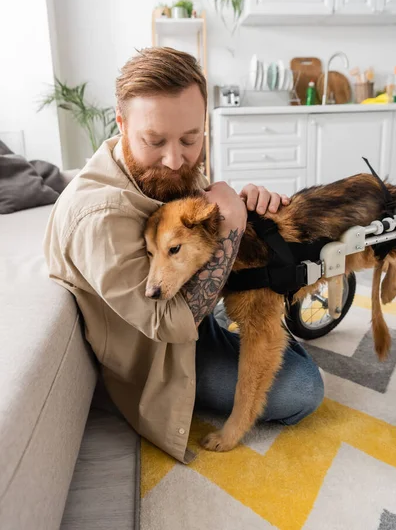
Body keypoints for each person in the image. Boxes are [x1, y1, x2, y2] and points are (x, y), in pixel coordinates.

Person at [44, 47, 324, 463]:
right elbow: (168, 323)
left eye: (190, 139)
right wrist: (230, 225)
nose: (175, 160)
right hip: (153, 356)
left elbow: (208, 233)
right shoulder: (98, 215)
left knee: (271, 312)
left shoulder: (167, 172)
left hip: (194, 319)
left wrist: (247, 207)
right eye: (154, 140)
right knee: (303, 389)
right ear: (121, 123)